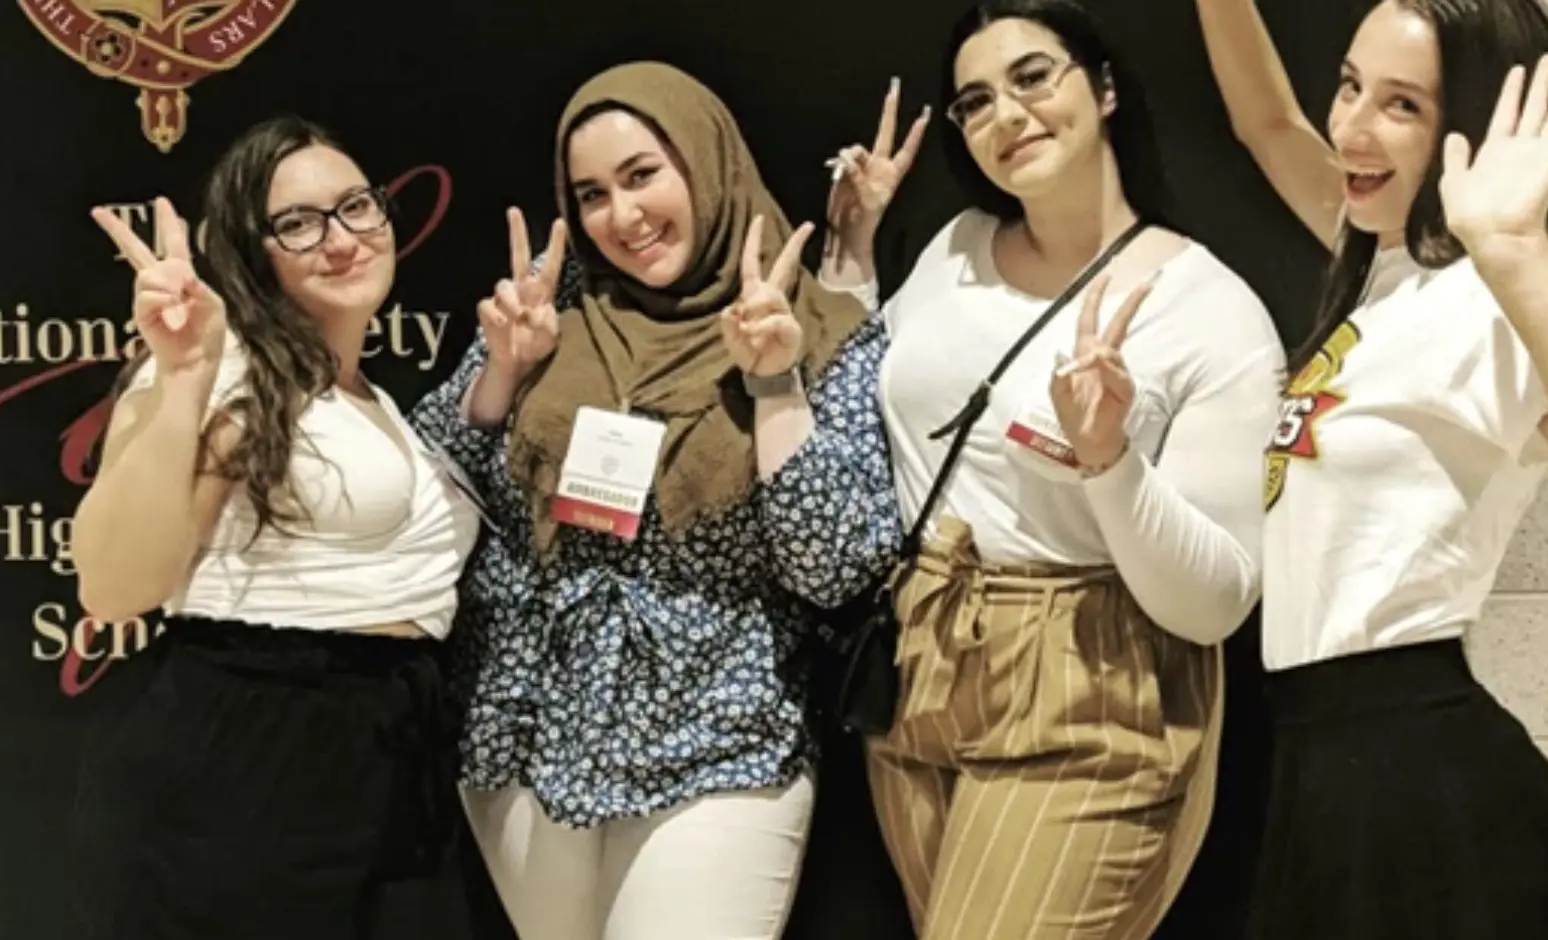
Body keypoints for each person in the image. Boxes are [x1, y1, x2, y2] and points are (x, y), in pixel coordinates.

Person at [818, 1, 1285, 936]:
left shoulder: (1208, 311)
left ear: (1104, 87)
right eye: (975, 101)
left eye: (1034, 77)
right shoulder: (954, 249)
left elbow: (1216, 603)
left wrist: (1107, 461)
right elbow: (861, 404)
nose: (1007, 115)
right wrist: (853, 251)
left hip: (1090, 682)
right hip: (922, 665)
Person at [409, 61, 900, 940]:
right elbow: (435, 486)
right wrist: (505, 372)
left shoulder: (817, 325)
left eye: (643, 175)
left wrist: (776, 384)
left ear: (705, 161)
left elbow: (834, 566)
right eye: (591, 194)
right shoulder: (557, 306)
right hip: (528, 729)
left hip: (715, 731)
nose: (621, 217)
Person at [69, 116, 482, 940]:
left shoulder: (375, 401)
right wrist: (183, 377)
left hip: (393, 762)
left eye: (357, 207)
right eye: (298, 223)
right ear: (253, 253)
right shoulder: (215, 365)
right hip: (258, 755)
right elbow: (116, 588)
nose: (341, 239)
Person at [1196, 1, 1548, 936]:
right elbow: (1270, 123)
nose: (1351, 127)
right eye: (1350, 85)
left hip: (1414, 763)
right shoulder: (1380, 260)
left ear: (1473, 125)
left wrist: (1514, 253)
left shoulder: (1495, 293)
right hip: (1312, 754)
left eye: (1403, 106)